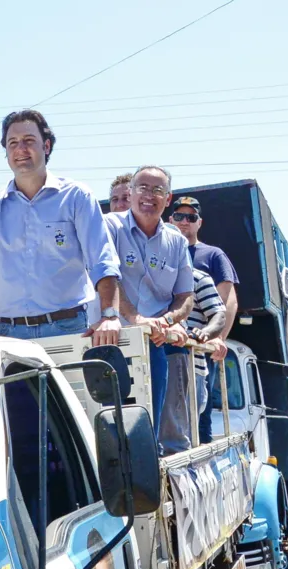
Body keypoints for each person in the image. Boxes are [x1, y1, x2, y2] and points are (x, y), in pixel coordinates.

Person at [0, 109, 122, 345]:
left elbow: (102, 259)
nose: (20, 149)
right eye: (12, 143)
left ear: (46, 146)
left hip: (68, 327)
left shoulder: (76, 196)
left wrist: (109, 315)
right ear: (5, 153)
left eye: (28, 141)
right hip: (11, 334)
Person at [104, 165, 194, 449]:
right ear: (130, 193)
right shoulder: (108, 226)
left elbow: (185, 297)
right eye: (142, 187)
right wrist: (136, 318)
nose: (149, 196)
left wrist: (165, 322)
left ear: (168, 199)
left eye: (158, 190)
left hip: (154, 343)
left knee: (148, 428)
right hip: (111, 339)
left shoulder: (177, 242)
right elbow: (106, 277)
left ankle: (148, 467)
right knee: (108, 425)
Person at [170, 195, 239, 443]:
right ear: (170, 219)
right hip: (167, 346)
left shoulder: (212, 256)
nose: (184, 222)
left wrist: (217, 339)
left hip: (197, 347)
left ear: (200, 222)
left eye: (191, 217)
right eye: (179, 216)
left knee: (200, 413)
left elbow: (226, 302)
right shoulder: (162, 252)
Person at [159, 267, 226, 453]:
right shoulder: (152, 275)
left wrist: (205, 333)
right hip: (153, 363)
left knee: (180, 438)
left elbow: (219, 315)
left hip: (190, 368)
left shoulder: (198, 278)